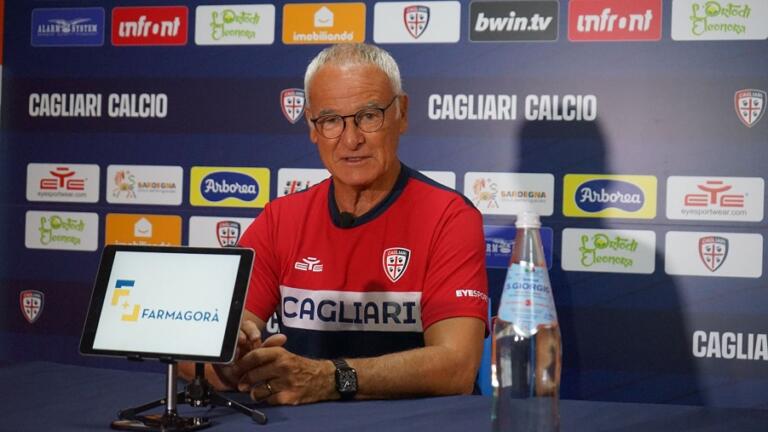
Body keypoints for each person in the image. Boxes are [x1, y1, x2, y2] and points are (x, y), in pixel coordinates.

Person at [191, 43, 488, 405]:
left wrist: (331, 378)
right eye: (331, 120)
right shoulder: (281, 218)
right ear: (313, 129)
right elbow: (195, 355)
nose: (351, 140)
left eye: (369, 115)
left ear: (402, 113)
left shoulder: (449, 216)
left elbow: (457, 367)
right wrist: (232, 361)